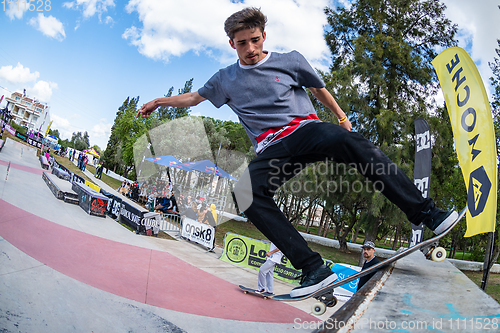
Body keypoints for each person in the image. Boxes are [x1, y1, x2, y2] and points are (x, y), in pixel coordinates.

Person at [137, 7, 458, 298]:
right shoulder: (224, 79)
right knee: (246, 194)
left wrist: (343, 119)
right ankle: (313, 268)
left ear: (264, 36)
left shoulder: (290, 59)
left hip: (307, 131)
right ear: (231, 43)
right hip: (272, 149)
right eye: (241, 43)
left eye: (254, 40)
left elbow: (319, 89)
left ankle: (427, 213)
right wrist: (157, 101)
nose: (250, 49)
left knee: (354, 143)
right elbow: (194, 98)